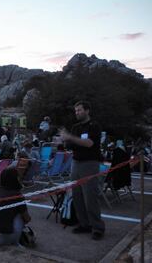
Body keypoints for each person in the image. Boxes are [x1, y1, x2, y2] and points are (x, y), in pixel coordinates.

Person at [60, 100, 105, 240]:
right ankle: (84, 224)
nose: (77, 113)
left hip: (90, 164)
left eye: (79, 110)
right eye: (75, 111)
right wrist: (64, 141)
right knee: (77, 196)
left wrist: (71, 137)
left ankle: (97, 227)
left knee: (90, 197)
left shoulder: (94, 126)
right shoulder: (75, 127)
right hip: (76, 162)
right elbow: (71, 145)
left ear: (87, 110)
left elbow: (89, 143)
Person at [0, 166, 31, 245]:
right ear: (16, 179)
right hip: (2, 238)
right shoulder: (17, 196)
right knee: (19, 216)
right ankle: (16, 243)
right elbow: (27, 218)